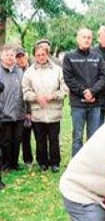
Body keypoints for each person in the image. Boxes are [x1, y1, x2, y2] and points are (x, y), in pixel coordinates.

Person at [21, 43, 68, 173]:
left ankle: (55, 162)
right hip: (38, 112)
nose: (41, 57)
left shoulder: (57, 70)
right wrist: (36, 98)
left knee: (54, 139)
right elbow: (25, 91)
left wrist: (53, 96)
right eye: (38, 55)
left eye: (43, 54)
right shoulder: (29, 72)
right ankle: (42, 162)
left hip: (53, 111)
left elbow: (65, 89)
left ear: (48, 54)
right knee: (40, 139)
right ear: (34, 56)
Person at [63, 28, 105, 157]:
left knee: (93, 137)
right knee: (77, 137)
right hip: (78, 104)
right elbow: (68, 78)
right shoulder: (69, 57)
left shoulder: (97, 57)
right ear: (78, 39)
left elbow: (103, 77)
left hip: (95, 103)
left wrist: (92, 92)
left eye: (89, 37)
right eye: (84, 37)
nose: (87, 40)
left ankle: (91, 165)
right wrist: (84, 92)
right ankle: (77, 166)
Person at [0, 45, 26, 172]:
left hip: (19, 113)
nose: (10, 58)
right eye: (7, 55)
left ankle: (15, 164)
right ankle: (5, 165)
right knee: (6, 141)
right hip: (4, 114)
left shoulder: (19, 72)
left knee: (17, 140)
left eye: (12, 55)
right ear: (2, 56)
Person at [14, 47, 33, 167]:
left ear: (27, 56)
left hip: (36, 106)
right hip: (21, 109)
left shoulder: (33, 69)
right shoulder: (15, 71)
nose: (21, 59)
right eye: (18, 57)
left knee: (39, 135)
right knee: (24, 136)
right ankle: (27, 160)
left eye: (22, 56)